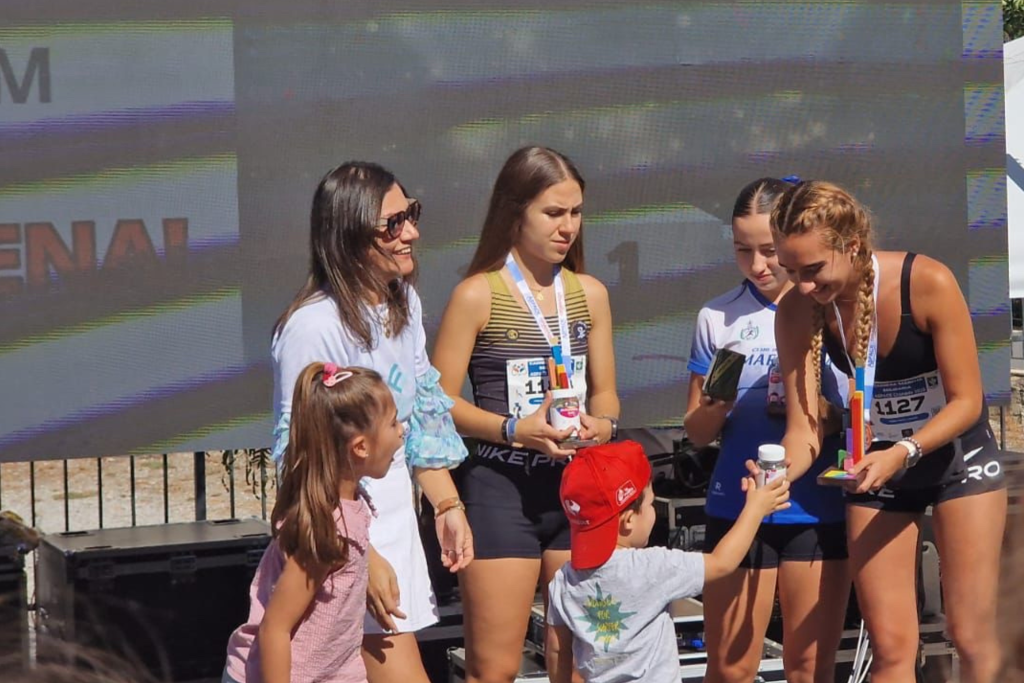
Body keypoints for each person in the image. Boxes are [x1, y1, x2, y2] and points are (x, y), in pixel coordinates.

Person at [770, 180, 1007, 683]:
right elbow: (804, 430)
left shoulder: (926, 282)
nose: (803, 286)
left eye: (813, 269)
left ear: (852, 245)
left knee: (970, 635)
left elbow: (968, 402)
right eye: (790, 271)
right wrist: (776, 474)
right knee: (892, 647)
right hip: (875, 465)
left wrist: (905, 449)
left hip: (956, 458)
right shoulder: (795, 309)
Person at [271, 163, 473, 683]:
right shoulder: (312, 327)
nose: (411, 233)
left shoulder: (404, 301)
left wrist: (446, 504)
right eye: (393, 224)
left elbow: (420, 414)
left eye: (411, 214)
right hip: (340, 537)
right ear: (348, 236)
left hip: (392, 522)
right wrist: (361, 556)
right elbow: (302, 461)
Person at [432, 146, 619, 683]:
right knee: (494, 669)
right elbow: (438, 402)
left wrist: (601, 426)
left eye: (576, 212)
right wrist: (512, 429)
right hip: (500, 490)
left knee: (579, 665)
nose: (568, 227)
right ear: (515, 213)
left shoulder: (590, 294)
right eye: (553, 213)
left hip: (576, 488)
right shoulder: (477, 294)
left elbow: (607, 395)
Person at [683, 178, 850, 683]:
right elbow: (696, 432)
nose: (757, 265)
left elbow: (861, 410)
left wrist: (822, 413)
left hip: (816, 504)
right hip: (738, 504)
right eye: (742, 250)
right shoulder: (718, 316)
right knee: (730, 668)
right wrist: (716, 407)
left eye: (768, 251)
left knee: (809, 667)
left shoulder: (834, 308)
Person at [544, 440, 791, 683]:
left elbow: (557, 649)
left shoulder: (565, 579)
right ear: (628, 520)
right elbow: (721, 563)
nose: (653, 510)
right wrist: (754, 510)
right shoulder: (653, 567)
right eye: (651, 503)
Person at [224, 363, 404, 683]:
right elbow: (275, 628)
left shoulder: (348, 504)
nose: (401, 429)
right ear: (361, 447)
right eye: (392, 423)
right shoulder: (328, 532)